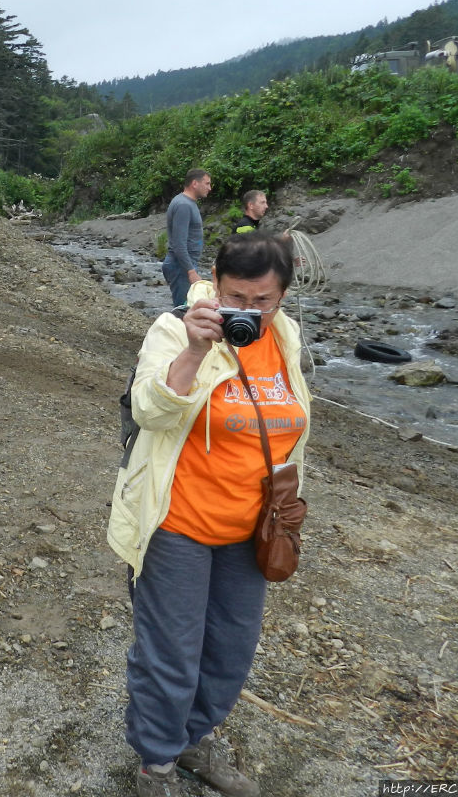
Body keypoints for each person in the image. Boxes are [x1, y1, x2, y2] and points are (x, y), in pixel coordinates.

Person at [109, 232, 311, 797]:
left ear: (283, 296)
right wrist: (195, 350)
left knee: (229, 654)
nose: (246, 313)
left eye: (261, 302)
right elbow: (149, 409)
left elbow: (290, 424)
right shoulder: (177, 327)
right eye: (235, 298)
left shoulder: (287, 336)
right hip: (177, 523)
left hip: (251, 528)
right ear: (214, 286)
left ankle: (191, 739)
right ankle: (157, 762)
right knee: (171, 653)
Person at [162, 168, 212, 308]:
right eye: (207, 183)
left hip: (184, 265)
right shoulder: (183, 205)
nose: (209, 188)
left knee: (189, 309)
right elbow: (179, 244)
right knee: (184, 310)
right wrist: (190, 271)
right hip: (181, 267)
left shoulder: (188, 203)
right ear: (195, 183)